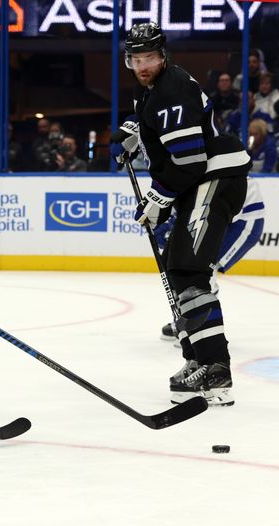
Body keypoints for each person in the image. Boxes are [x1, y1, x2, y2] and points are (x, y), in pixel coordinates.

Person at [110, 22, 251, 407]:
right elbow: (153, 124)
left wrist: (158, 199)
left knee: (189, 271)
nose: (142, 65)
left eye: (149, 58)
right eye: (136, 59)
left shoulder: (171, 89)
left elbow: (189, 160)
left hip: (214, 179)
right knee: (180, 269)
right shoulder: (150, 88)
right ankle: (199, 358)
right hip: (201, 182)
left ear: (163, 56)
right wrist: (132, 132)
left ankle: (215, 370)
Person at [155, 177, 265, 345]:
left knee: (202, 268)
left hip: (243, 222)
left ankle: (201, 327)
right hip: (217, 213)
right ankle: (186, 320)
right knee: (178, 264)